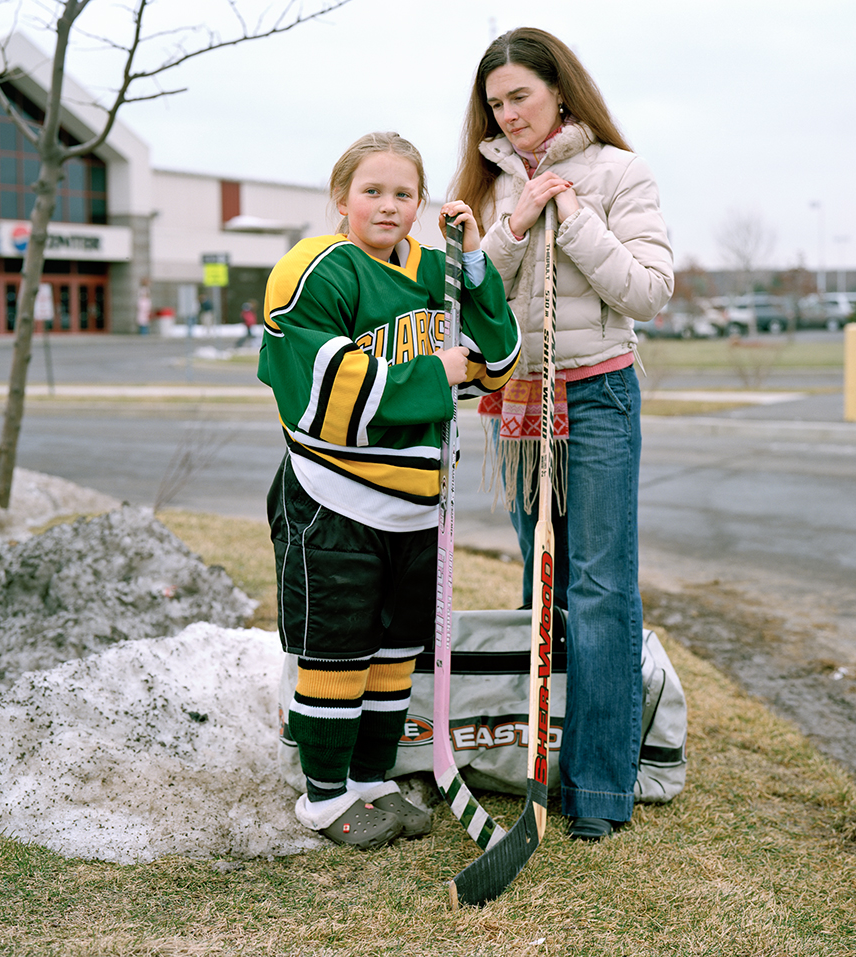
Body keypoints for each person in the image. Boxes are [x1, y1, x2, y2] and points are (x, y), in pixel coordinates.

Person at [258, 132, 521, 849]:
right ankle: (324, 795)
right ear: (340, 197)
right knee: (336, 651)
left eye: (404, 192)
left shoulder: (439, 271)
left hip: (420, 507)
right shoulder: (316, 269)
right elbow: (312, 384)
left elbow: (498, 359)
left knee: (393, 654)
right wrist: (437, 375)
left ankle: (371, 780)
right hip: (334, 498)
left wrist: (474, 264)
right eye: (372, 190)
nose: (389, 205)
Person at [451, 27, 674, 841]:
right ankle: (532, 764)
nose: (508, 116)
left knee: (600, 586)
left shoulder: (622, 172)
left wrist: (570, 213)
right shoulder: (481, 186)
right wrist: (512, 227)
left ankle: (599, 789)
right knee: (540, 585)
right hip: (520, 400)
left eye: (521, 96)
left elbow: (648, 291)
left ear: (560, 90)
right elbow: (468, 299)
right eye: (495, 102)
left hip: (601, 393)